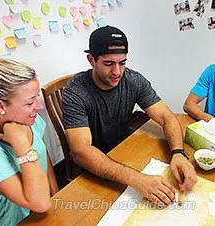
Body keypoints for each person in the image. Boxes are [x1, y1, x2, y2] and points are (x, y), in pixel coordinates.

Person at [62, 25, 197, 207]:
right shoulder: (75, 91)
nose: (117, 72)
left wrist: (178, 153)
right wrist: (138, 180)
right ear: (91, 60)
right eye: (109, 64)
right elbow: (81, 152)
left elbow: (167, 117)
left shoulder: (134, 80)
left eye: (122, 63)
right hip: (94, 166)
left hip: (124, 150)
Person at [0, 50, 59, 226]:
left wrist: (58, 198)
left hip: (47, 215)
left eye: (36, 98)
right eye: (30, 102)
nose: (38, 107)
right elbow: (39, 203)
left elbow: (43, 156)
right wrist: (20, 143)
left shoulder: (29, 119)